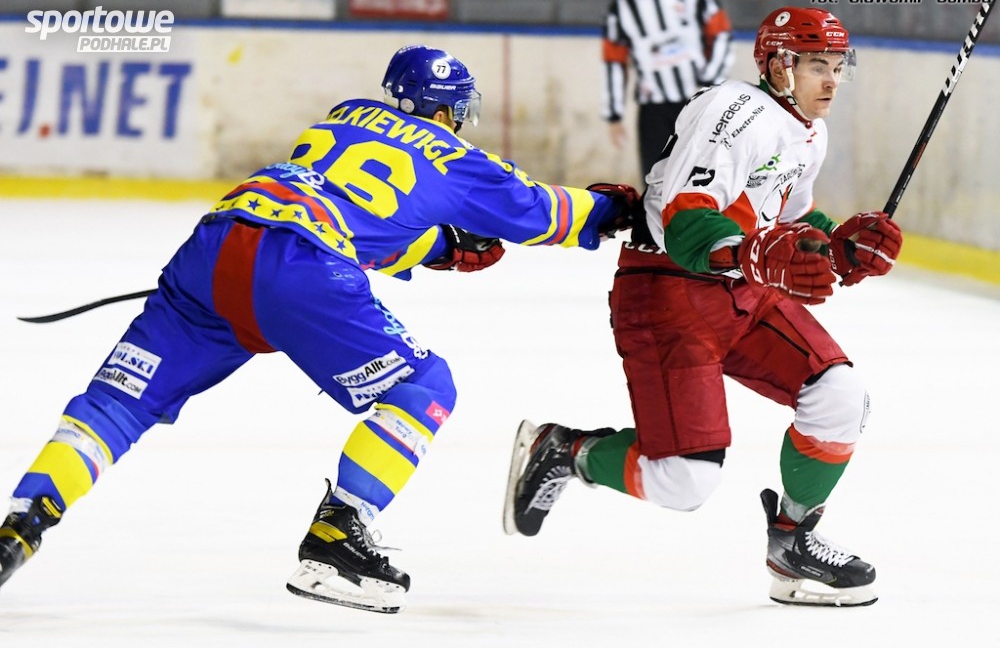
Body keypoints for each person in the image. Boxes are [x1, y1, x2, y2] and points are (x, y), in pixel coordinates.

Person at [0, 45, 637, 614]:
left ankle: (21, 524)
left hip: (217, 244)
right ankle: (339, 535)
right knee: (423, 387)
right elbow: (543, 212)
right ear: (446, 111)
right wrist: (617, 209)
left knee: (116, 405)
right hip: (299, 266)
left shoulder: (341, 117)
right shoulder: (455, 155)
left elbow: (351, 211)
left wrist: (436, 246)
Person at [505, 7, 904, 608]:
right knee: (683, 481)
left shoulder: (808, 130)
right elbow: (686, 223)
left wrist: (837, 245)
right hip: (667, 292)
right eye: (817, 65)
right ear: (779, 65)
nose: (831, 80)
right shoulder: (735, 110)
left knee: (839, 396)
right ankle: (564, 450)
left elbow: (787, 218)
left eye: (837, 66)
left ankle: (792, 544)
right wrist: (756, 255)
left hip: (742, 289)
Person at [601, 0, 734, 179]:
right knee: (656, 179)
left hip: (698, 101)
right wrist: (614, 114)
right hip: (653, 108)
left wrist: (711, 81)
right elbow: (614, 59)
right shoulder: (622, 3)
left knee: (702, 175)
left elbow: (720, 33)